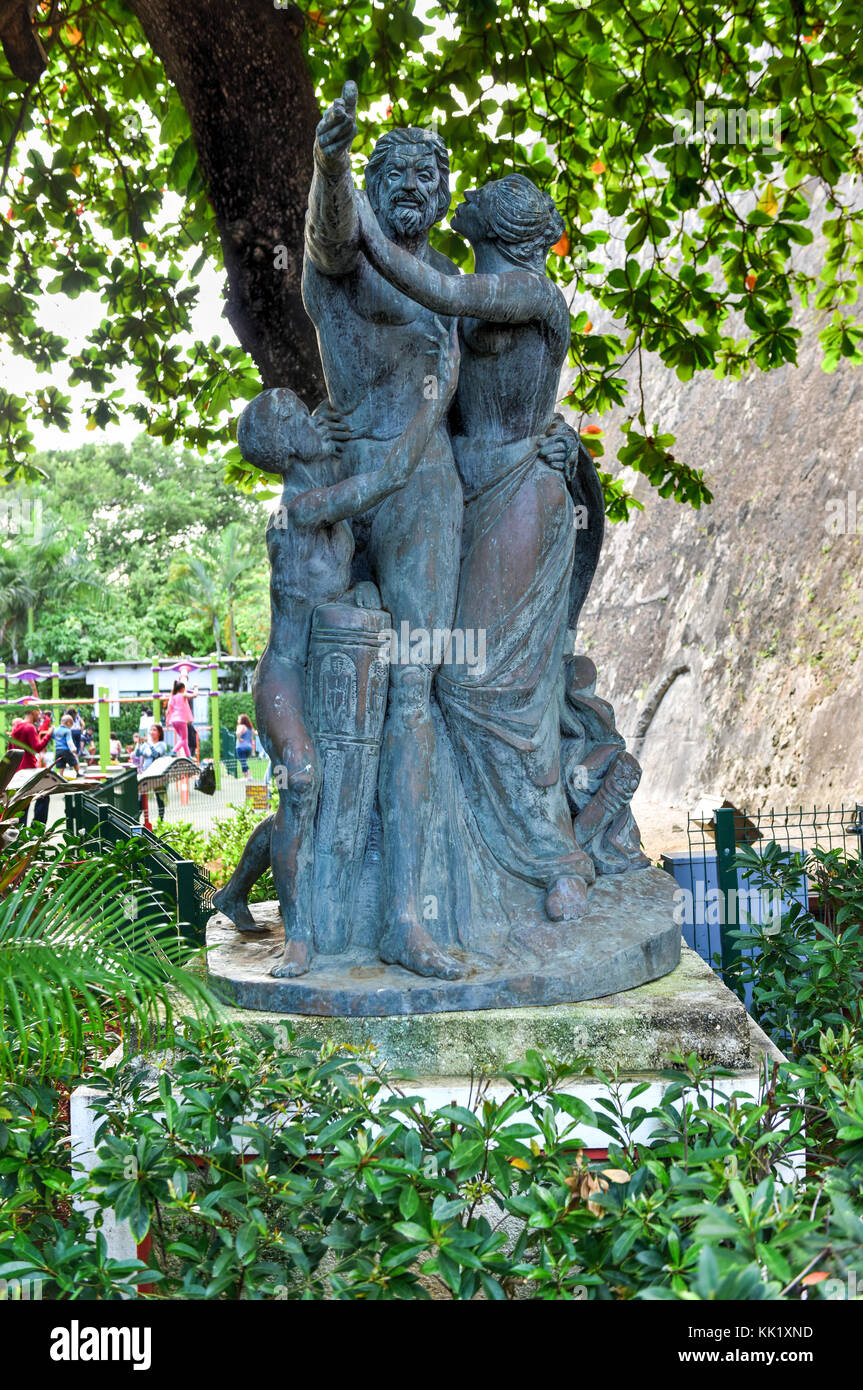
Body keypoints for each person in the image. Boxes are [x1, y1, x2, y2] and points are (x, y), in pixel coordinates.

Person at [358, 171, 598, 921]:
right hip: (454, 488)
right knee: (437, 674)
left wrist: (358, 221)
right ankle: (460, 873)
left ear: (500, 224)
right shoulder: (466, 292)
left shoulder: (528, 292)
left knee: (484, 685)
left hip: (521, 488)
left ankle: (553, 862)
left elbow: (444, 293)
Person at [212, 325, 459, 980]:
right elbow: (392, 475)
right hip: (285, 680)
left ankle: (235, 891)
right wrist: (439, 398)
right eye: (297, 415)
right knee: (305, 781)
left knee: (313, 795)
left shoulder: (316, 488)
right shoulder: (303, 509)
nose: (308, 413)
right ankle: (300, 940)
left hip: (320, 670)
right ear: (284, 445)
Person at [8, 706, 53, 825]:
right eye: (39, 712)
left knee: (22, 802)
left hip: (18, 771)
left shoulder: (16, 727)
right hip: (29, 771)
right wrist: (48, 735)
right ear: (33, 712)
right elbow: (37, 747)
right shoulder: (29, 727)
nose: (40, 715)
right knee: (44, 795)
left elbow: (10, 750)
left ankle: (20, 832)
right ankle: (36, 828)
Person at [138, 723, 168, 821]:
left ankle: (161, 819)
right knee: (141, 798)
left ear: (159, 733)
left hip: (158, 775)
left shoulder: (162, 744)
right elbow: (138, 753)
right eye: (151, 730)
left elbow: (155, 754)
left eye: (154, 730)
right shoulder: (146, 744)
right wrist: (139, 744)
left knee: (160, 797)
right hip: (146, 775)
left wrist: (149, 745)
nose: (152, 732)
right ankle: (137, 818)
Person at [164, 681, 196, 759]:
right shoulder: (183, 694)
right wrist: (196, 688)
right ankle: (174, 750)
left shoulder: (173, 697)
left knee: (183, 739)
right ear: (182, 688)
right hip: (181, 720)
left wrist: (167, 722)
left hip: (174, 721)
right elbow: (194, 695)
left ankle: (188, 756)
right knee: (184, 738)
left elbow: (169, 710)